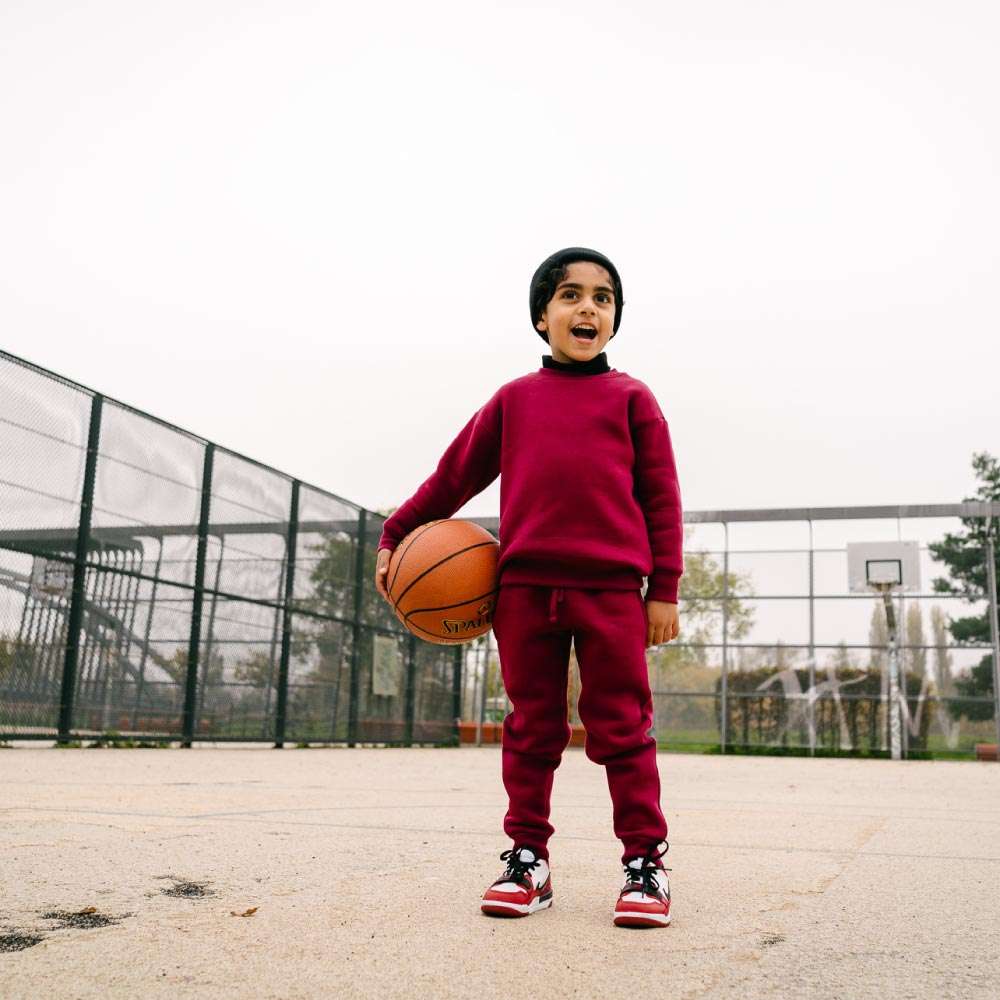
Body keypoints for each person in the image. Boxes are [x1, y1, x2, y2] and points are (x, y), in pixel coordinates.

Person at [374, 247, 682, 928]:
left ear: (614, 321)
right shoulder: (514, 400)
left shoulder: (633, 399)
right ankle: (526, 859)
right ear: (542, 315)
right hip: (523, 590)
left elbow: (661, 497)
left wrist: (665, 588)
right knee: (530, 729)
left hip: (610, 591)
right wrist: (397, 534)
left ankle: (644, 863)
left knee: (622, 729)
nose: (588, 308)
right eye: (571, 295)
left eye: (603, 299)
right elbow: (451, 478)